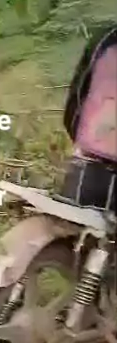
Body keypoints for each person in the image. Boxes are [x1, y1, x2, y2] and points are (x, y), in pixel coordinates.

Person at [59, 22, 117, 213]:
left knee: (69, 225)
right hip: (93, 168)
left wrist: (86, 141)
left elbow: (75, 105)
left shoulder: (107, 38)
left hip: (89, 170)